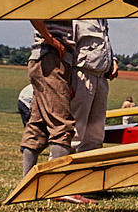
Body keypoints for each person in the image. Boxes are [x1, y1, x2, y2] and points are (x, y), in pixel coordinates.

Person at [21, 20, 80, 184]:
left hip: (50, 58)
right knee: (62, 124)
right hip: (52, 57)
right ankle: (57, 186)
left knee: (37, 125)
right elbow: (32, 11)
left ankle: (26, 184)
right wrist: (50, 39)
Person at [70, 20, 119, 152]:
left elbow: (103, 41)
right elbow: (67, 47)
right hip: (81, 75)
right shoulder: (77, 15)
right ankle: (59, 169)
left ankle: (88, 171)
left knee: (95, 136)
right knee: (73, 133)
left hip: (101, 78)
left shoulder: (102, 18)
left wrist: (113, 59)